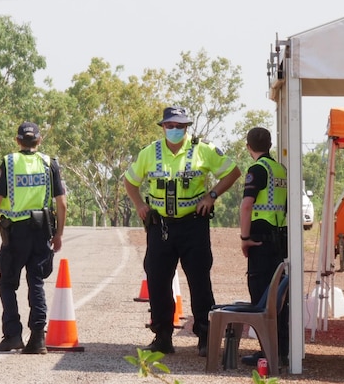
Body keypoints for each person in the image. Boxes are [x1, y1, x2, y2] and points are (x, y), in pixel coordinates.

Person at [124, 106, 241, 356]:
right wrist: (140, 205)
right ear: (163, 127)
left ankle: (205, 336)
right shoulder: (150, 153)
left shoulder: (203, 151)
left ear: (187, 127)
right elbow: (130, 180)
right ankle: (162, 336)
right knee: (157, 280)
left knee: (199, 281)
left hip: (193, 225)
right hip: (160, 228)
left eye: (179, 126)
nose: (174, 130)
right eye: (170, 126)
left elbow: (233, 172)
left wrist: (211, 196)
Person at [0, 121, 67, 354]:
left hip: (15, 233)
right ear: (39, 141)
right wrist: (59, 234)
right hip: (41, 231)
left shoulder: (10, 162)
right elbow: (62, 203)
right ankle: (38, 339)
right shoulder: (49, 164)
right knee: (36, 282)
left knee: (7, 283)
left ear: (18, 141)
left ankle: (13, 335)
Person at [238, 127, 289, 367]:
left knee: (261, 296)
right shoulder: (281, 169)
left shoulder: (257, 169)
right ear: (269, 145)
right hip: (280, 238)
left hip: (261, 239)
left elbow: (247, 205)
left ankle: (267, 352)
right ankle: (281, 350)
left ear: (249, 147)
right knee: (280, 297)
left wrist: (244, 237)